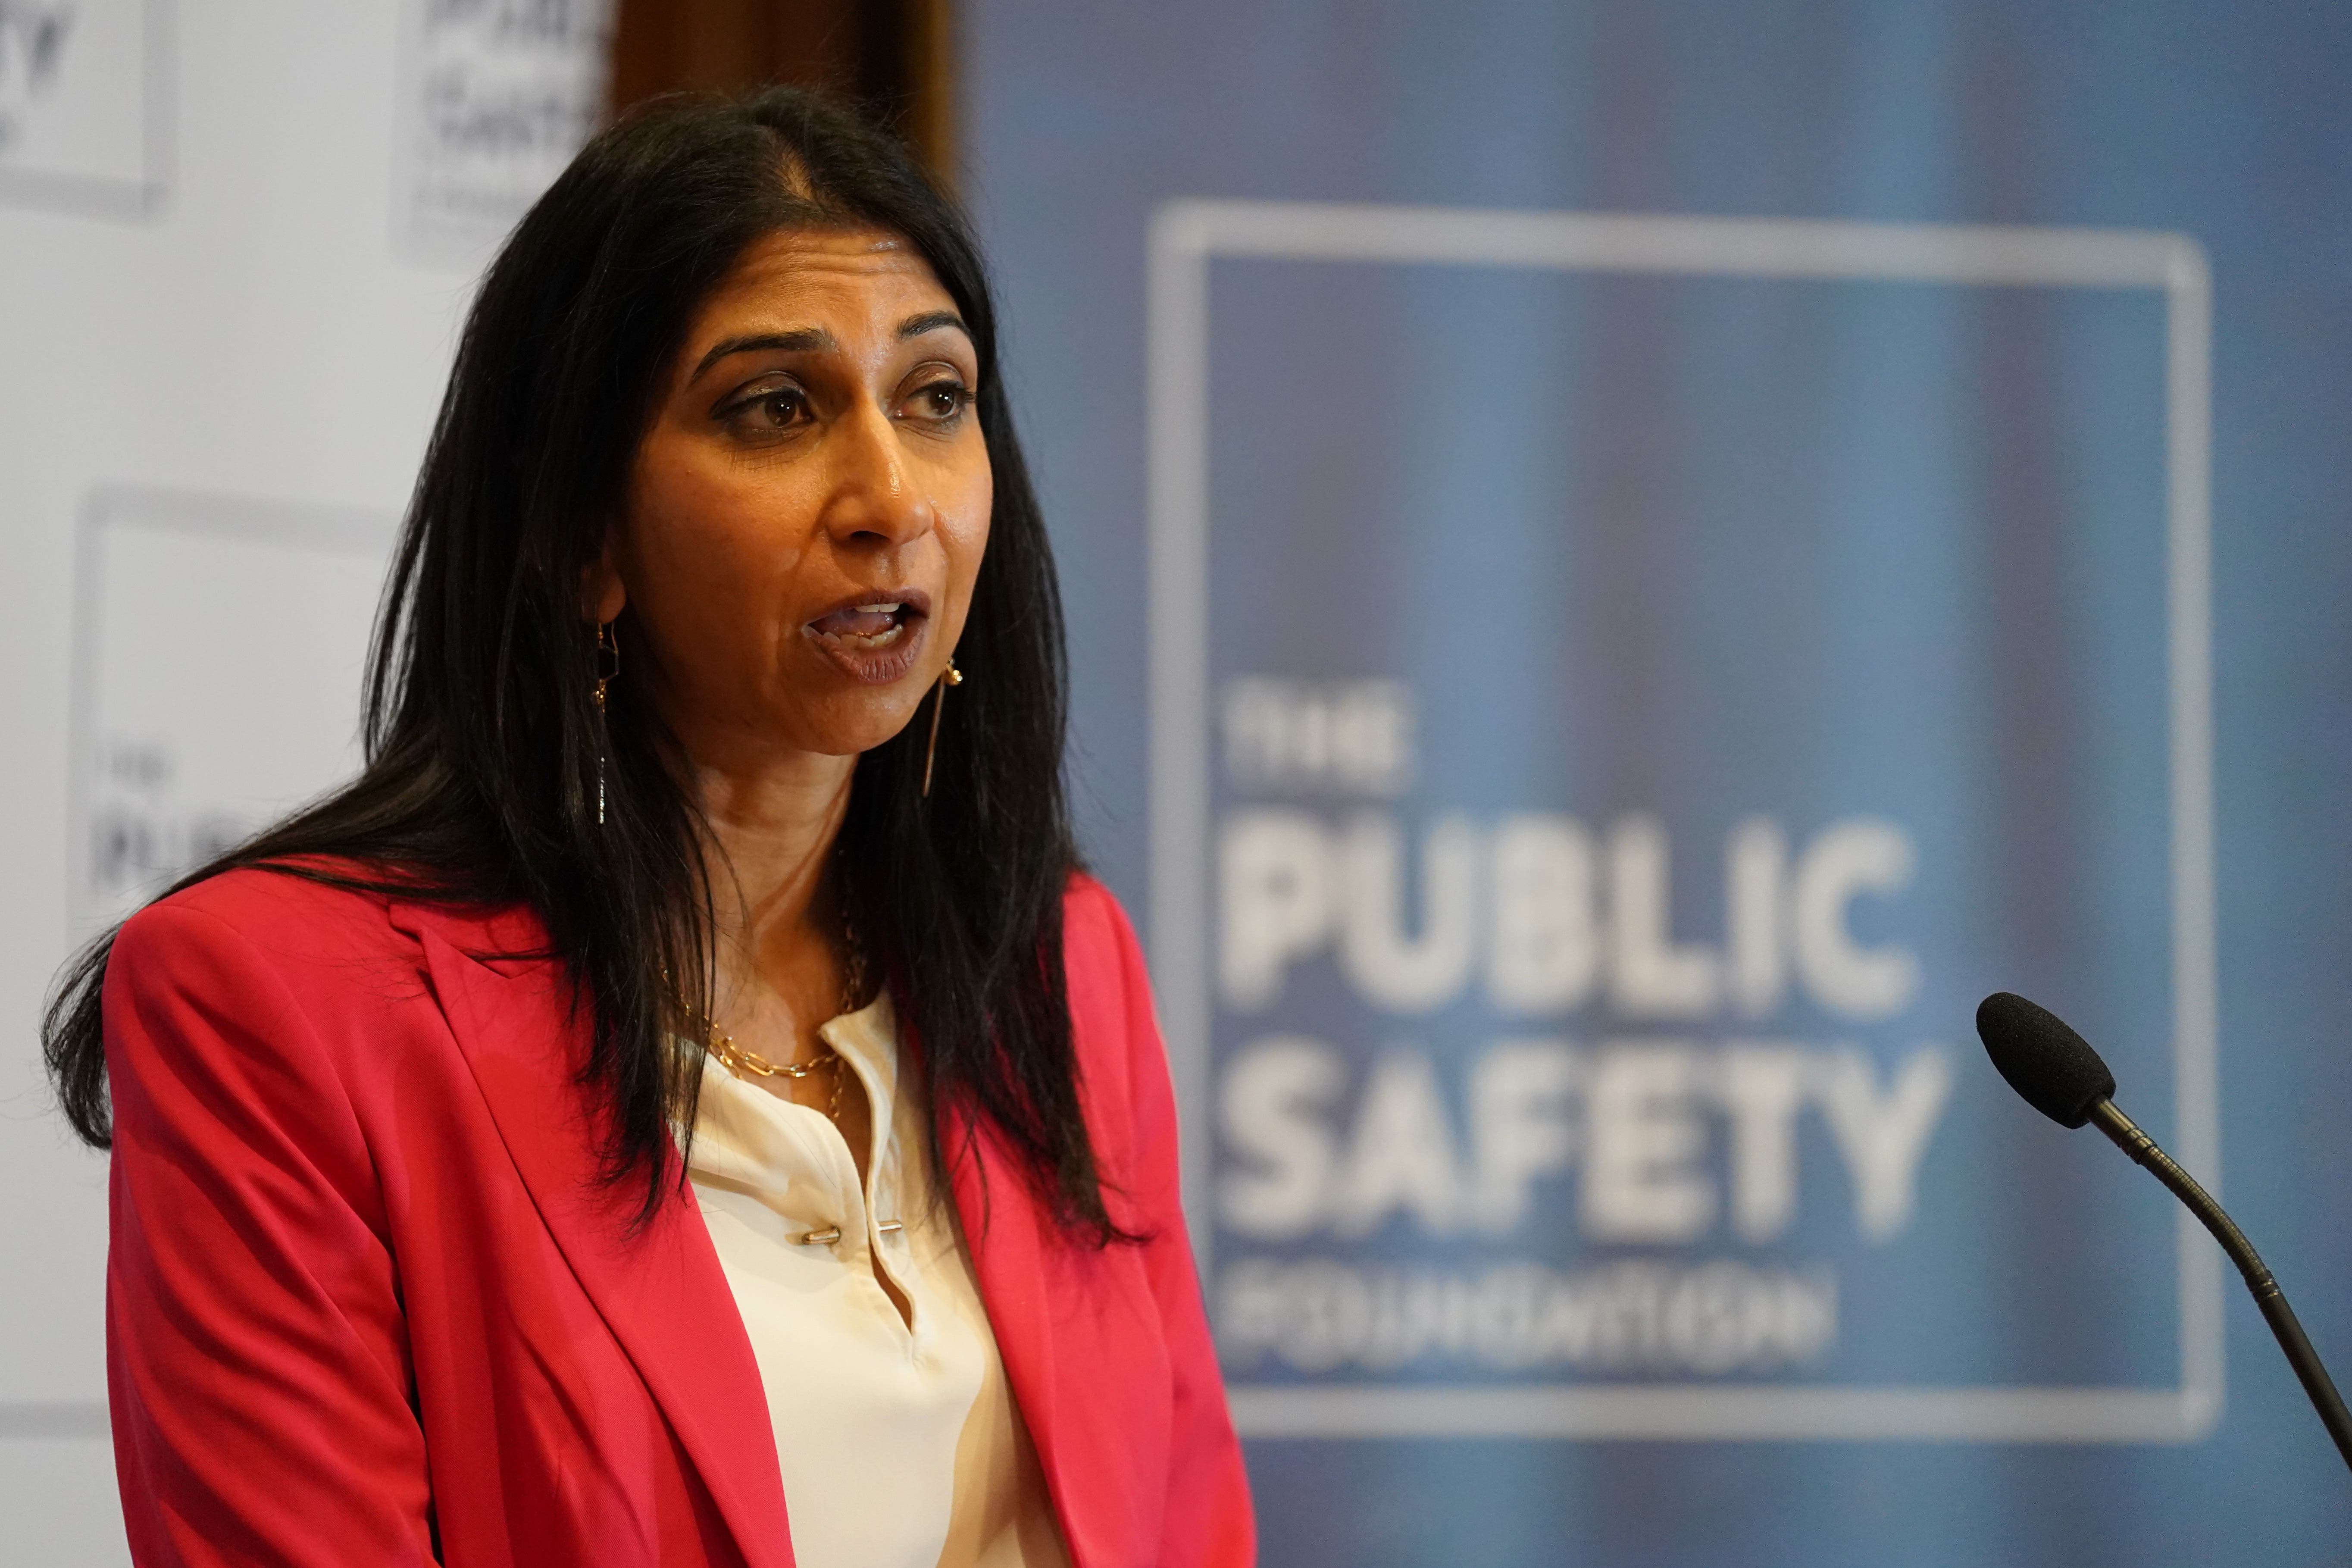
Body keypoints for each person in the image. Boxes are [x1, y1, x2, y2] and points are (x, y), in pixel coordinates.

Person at [42, 88, 1253, 1568]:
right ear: (581, 536)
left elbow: (1187, 1524)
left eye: (935, 398)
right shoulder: (282, 1005)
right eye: (776, 409)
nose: (890, 496)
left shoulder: (1058, 960)